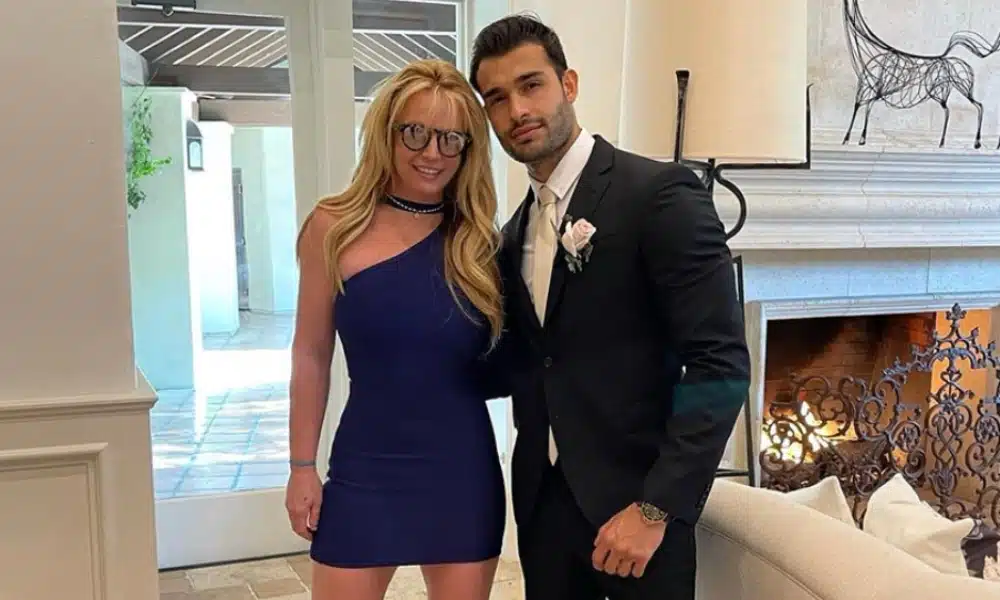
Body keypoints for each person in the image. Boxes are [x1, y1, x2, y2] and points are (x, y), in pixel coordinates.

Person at [470, 14, 752, 600]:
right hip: (544, 513)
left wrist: (656, 508)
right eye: (496, 98)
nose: (517, 110)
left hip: (639, 517)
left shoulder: (660, 194)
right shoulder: (513, 233)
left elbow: (720, 364)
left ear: (568, 84)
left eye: (531, 85)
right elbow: (530, 363)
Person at [284, 58, 506, 600]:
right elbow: (310, 355)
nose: (432, 153)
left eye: (451, 139)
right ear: (387, 133)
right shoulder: (332, 226)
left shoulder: (479, 239)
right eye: (415, 133)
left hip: (461, 471)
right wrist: (301, 467)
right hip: (366, 464)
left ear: (468, 150)